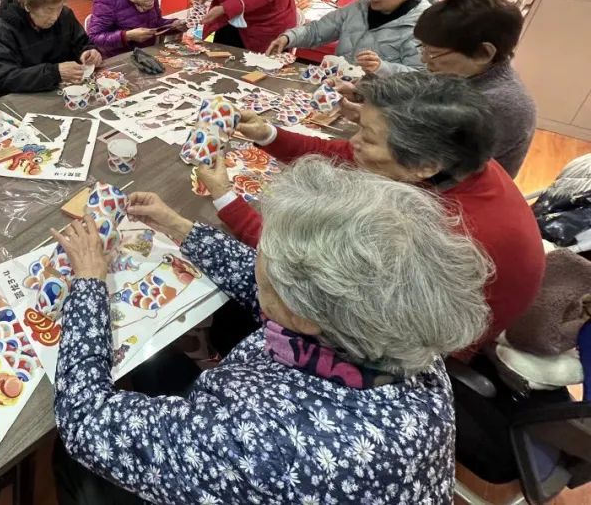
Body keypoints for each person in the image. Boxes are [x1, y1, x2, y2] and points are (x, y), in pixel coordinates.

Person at [52, 157, 492, 504]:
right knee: (162, 363)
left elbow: (83, 418)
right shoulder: (399, 329)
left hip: (266, 455)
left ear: (303, 314)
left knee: (69, 459)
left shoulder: (264, 446)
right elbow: (275, 287)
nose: (258, 254)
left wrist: (89, 281)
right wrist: (177, 226)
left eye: (266, 250)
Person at [200, 72, 545, 351]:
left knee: (238, 313)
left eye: (368, 135)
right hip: (401, 300)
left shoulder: (442, 229)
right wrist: (268, 134)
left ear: (425, 166)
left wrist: (225, 198)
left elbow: (303, 264)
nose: (354, 141)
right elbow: (343, 153)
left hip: (416, 343)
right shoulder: (452, 158)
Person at [414, 0, 536, 177]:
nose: (424, 59)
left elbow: (434, 171)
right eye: (423, 48)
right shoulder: (463, 74)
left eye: (433, 53)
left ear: (483, 53)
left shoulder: (498, 105)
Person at [268, 0, 432, 75]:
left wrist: (382, 68)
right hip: (339, 89)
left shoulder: (424, 26)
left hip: (379, 103)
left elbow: (422, 78)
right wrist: (289, 37)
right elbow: (317, 30)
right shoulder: (358, 8)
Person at [0, 0, 102, 93]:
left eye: (59, 7)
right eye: (49, 10)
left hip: (65, 91)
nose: (55, 16)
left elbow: (82, 43)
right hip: (24, 98)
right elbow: (5, 78)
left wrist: (89, 52)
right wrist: (54, 73)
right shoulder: (3, 31)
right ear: (28, 6)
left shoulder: (65, 16)